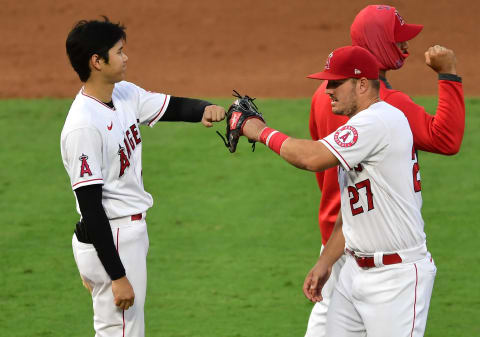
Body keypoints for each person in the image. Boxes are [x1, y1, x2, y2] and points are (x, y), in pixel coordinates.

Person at [239, 45, 442, 336]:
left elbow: (310, 158)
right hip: (354, 273)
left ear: (361, 84)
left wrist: (260, 131)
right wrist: (325, 262)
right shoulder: (360, 124)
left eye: (336, 82)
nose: (327, 90)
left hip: (396, 280)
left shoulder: (379, 121)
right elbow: (353, 211)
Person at [305, 5, 465, 336]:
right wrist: (448, 76)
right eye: (398, 41)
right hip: (368, 244)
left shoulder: (324, 96)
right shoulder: (388, 105)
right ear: (378, 44)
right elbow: (447, 139)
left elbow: (318, 160)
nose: (406, 49)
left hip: (334, 241)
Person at [60, 17, 225, 337]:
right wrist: (117, 275)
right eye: (118, 51)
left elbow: (170, 107)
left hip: (124, 235)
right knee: (121, 333)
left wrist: (208, 109)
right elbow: (91, 208)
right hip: (115, 236)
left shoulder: (123, 94)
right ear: (97, 61)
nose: (126, 57)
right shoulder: (83, 125)